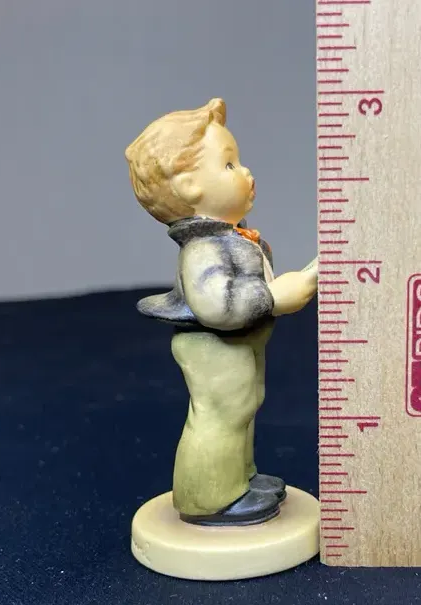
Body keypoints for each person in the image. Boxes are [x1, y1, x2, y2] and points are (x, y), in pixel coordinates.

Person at [124, 98, 318, 526]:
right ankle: (208, 498)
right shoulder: (203, 249)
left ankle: (239, 479)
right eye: (229, 164)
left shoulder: (231, 238)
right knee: (221, 414)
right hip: (213, 347)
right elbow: (216, 305)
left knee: (242, 407)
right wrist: (272, 298)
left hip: (239, 344)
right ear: (190, 186)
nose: (246, 172)